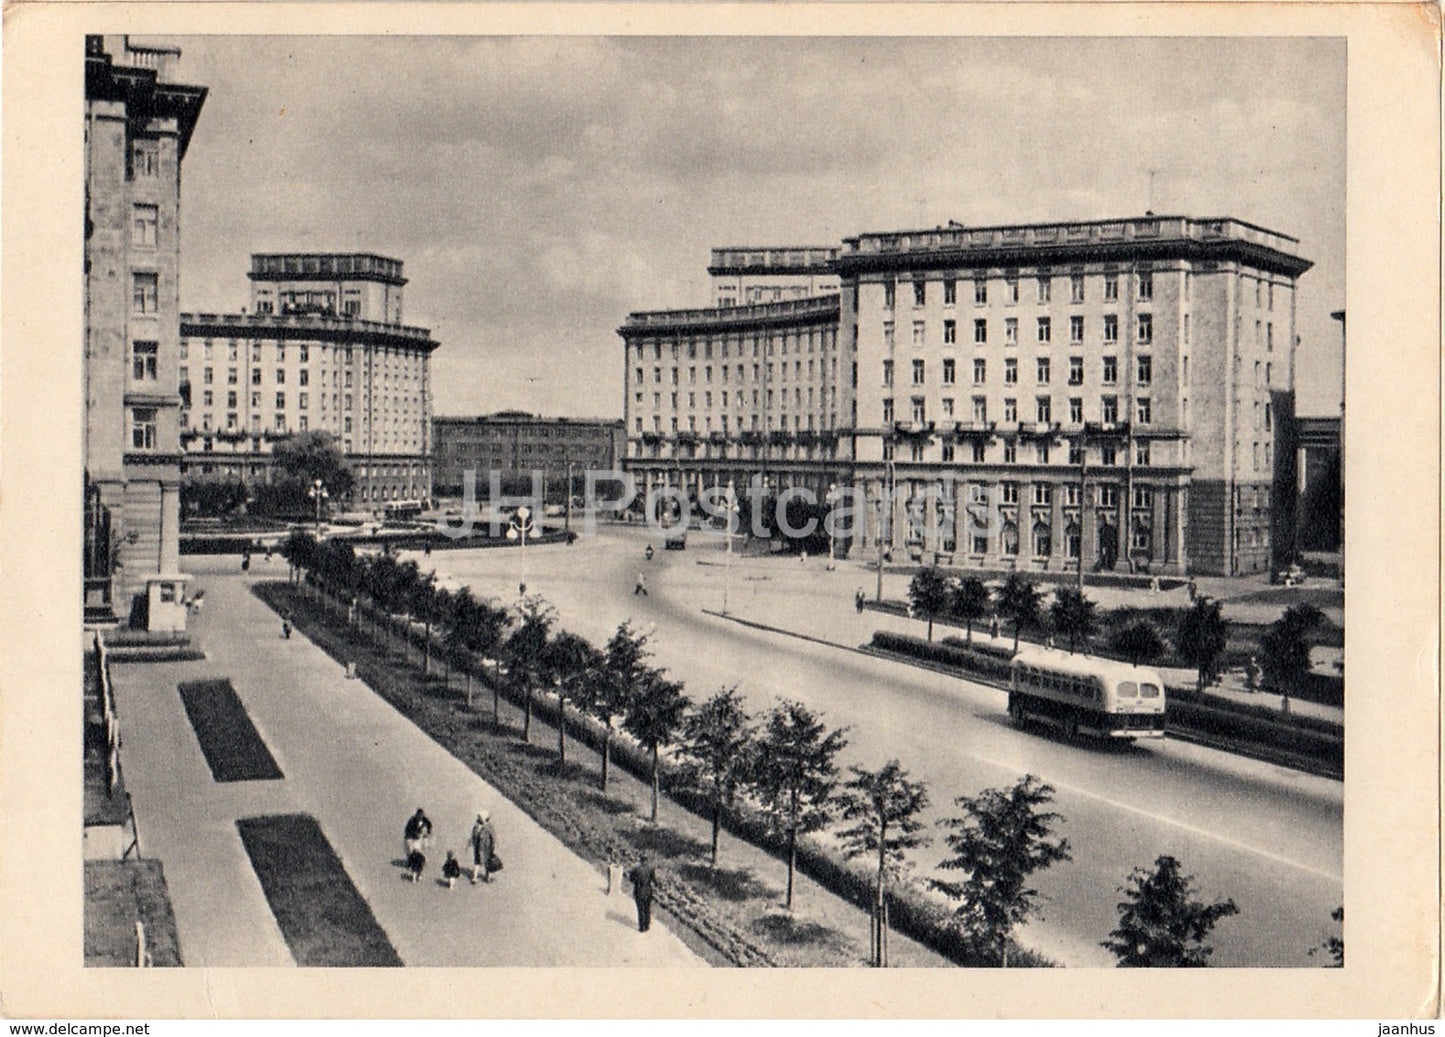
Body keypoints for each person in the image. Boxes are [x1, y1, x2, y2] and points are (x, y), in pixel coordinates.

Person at [626, 854, 657, 932]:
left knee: (640, 909)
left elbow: (631, 879)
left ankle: (641, 927)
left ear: (640, 860)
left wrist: (637, 882)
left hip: (639, 890)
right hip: (648, 891)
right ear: (647, 860)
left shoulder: (636, 869)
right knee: (647, 908)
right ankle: (647, 925)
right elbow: (654, 881)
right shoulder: (651, 869)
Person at [469, 811, 496, 884]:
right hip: (486, 847)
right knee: (487, 862)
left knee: (477, 862)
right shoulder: (489, 827)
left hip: (477, 847)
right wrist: (493, 847)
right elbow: (493, 837)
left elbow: (472, 836)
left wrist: (471, 844)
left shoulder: (476, 827)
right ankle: (487, 877)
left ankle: (474, 878)